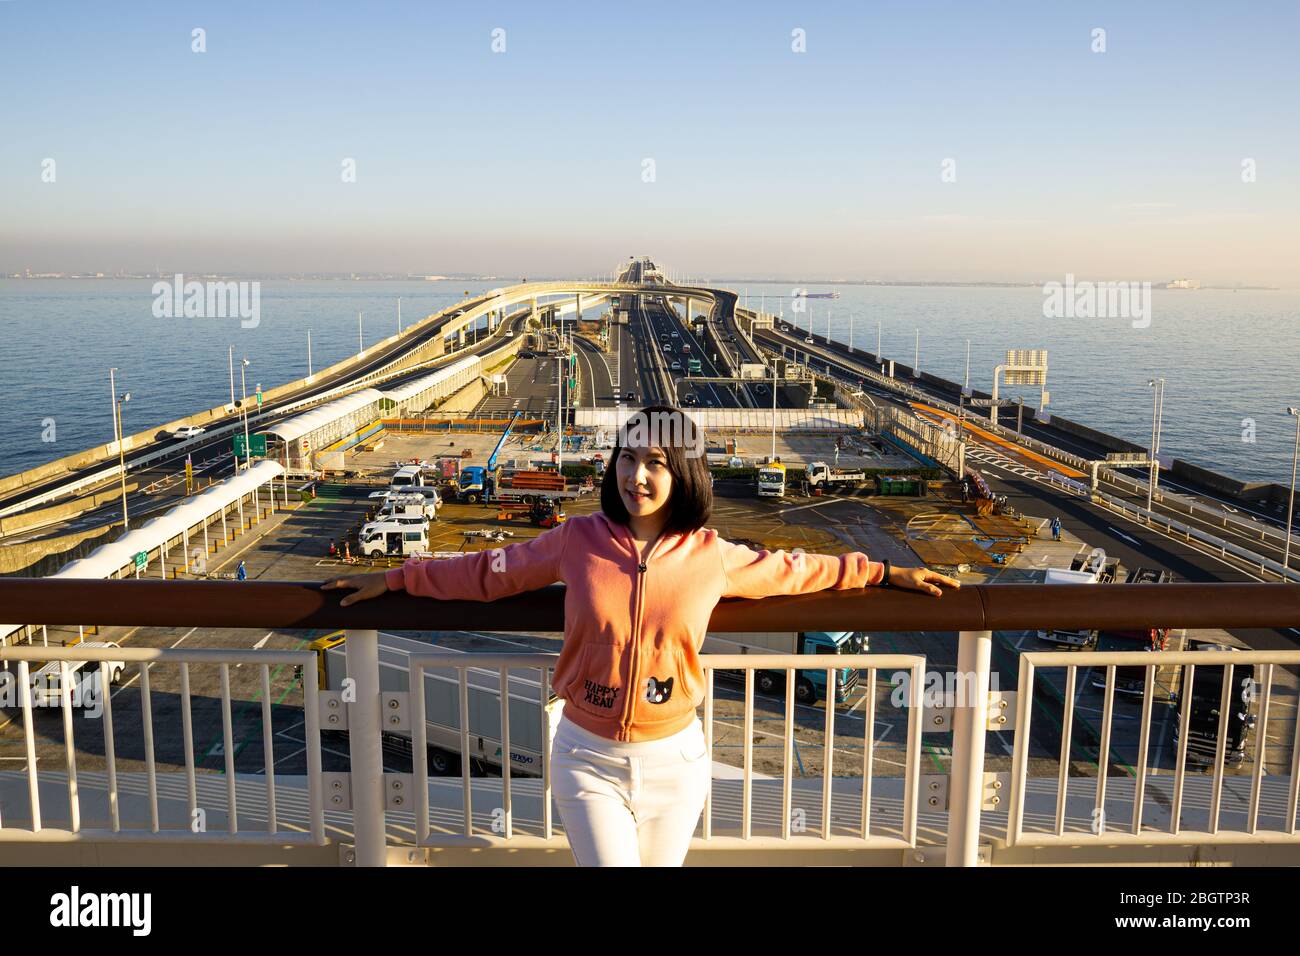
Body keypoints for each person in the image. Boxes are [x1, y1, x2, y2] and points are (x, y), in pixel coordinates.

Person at [321, 405, 958, 867]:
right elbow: (490, 573)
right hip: (586, 756)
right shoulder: (577, 539)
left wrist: (880, 570)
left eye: (657, 462)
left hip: (676, 760)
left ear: (683, 473)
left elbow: (797, 571)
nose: (638, 476)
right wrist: (399, 577)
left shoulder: (711, 554)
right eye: (628, 458)